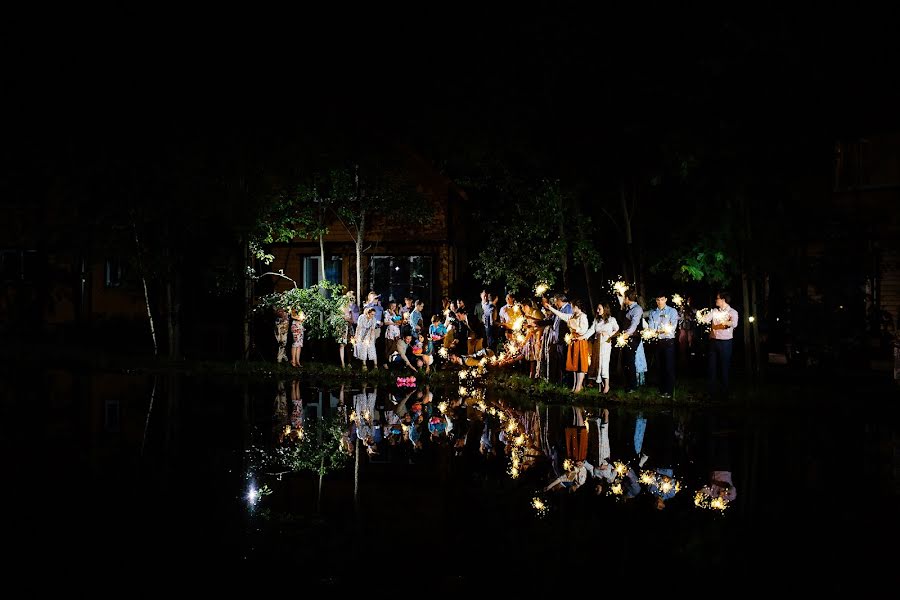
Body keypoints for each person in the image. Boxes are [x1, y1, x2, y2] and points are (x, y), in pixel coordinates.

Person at [543, 296, 590, 392]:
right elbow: (561, 315)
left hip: (579, 341)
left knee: (580, 364)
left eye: (573, 307)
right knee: (574, 364)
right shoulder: (572, 316)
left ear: (577, 307)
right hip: (573, 341)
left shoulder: (583, 316)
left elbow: (584, 330)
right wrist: (550, 308)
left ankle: (579, 386)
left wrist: (575, 328)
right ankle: (575, 386)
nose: (571, 309)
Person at [698, 291, 739, 399]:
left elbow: (734, 323)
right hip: (713, 342)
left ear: (723, 300)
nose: (716, 300)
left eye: (717, 298)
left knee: (724, 367)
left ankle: (724, 392)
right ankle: (711, 392)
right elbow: (705, 319)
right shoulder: (714, 311)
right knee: (711, 367)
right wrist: (699, 315)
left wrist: (726, 322)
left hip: (725, 342)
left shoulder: (732, 312)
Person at [648, 293, 679, 398]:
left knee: (668, 366)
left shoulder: (672, 311)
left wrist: (658, 331)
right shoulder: (653, 312)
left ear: (665, 299)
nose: (660, 302)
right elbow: (651, 328)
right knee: (659, 366)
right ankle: (661, 390)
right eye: (657, 299)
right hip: (657, 342)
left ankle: (669, 391)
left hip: (668, 341)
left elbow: (672, 327)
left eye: (661, 299)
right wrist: (658, 331)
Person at [584, 303, 619, 393]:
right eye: (597, 309)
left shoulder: (612, 320)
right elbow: (592, 329)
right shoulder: (597, 320)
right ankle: (599, 385)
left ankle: (607, 385)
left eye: (599, 309)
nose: (597, 311)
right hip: (597, 343)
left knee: (604, 363)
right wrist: (584, 337)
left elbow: (617, 329)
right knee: (597, 362)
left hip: (605, 344)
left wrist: (608, 335)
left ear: (605, 309)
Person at [618, 289, 643, 393]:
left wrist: (626, 334)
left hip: (633, 338)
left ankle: (632, 386)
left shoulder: (637, 309)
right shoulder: (628, 308)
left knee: (630, 360)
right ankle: (627, 384)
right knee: (625, 361)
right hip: (627, 337)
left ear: (627, 298)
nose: (624, 300)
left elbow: (634, 324)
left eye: (624, 298)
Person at [354, 306, 379, 371]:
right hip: (362, 333)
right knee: (363, 349)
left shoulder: (374, 319)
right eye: (372, 314)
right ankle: (364, 365)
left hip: (370, 333)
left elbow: (373, 329)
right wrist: (356, 336)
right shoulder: (361, 317)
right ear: (368, 313)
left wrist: (371, 338)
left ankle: (375, 365)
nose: (373, 316)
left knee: (372, 348)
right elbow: (358, 327)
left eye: (374, 314)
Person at [338, 291, 359, 369]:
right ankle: (342, 363)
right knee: (342, 344)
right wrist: (344, 317)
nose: (351, 299)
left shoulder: (354, 307)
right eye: (349, 298)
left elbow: (354, 320)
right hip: (342, 327)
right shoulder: (342, 306)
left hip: (349, 327)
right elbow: (338, 315)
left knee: (350, 344)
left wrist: (350, 317)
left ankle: (349, 362)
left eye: (352, 298)